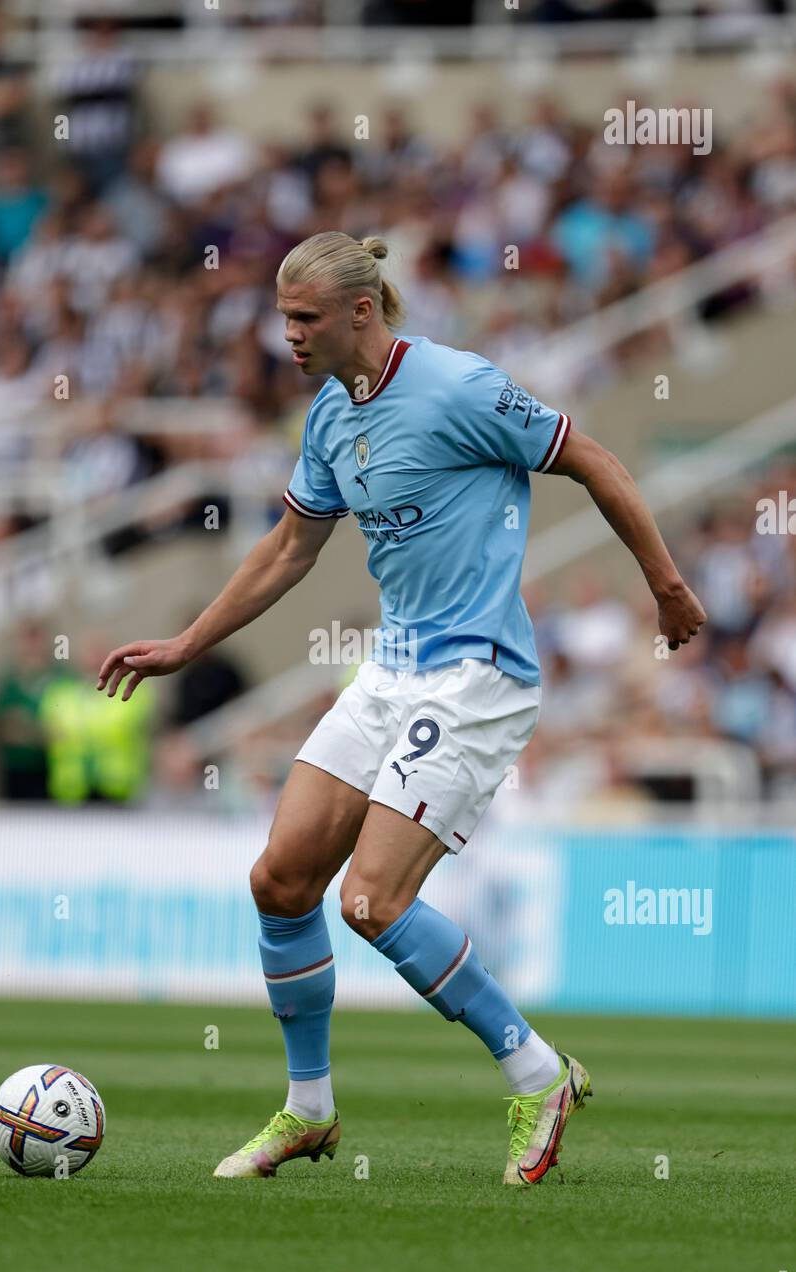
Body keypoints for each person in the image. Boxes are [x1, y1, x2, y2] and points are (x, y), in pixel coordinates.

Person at [97, 231, 706, 1186]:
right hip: (389, 672)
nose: (286, 335)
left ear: (361, 312)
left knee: (372, 901)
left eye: (303, 318)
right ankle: (309, 1110)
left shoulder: (462, 388)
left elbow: (593, 460)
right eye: (282, 317)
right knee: (282, 881)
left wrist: (665, 586)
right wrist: (186, 646)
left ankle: (538, 1073)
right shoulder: (332, 416)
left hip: (477, 675)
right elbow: (288, 551)